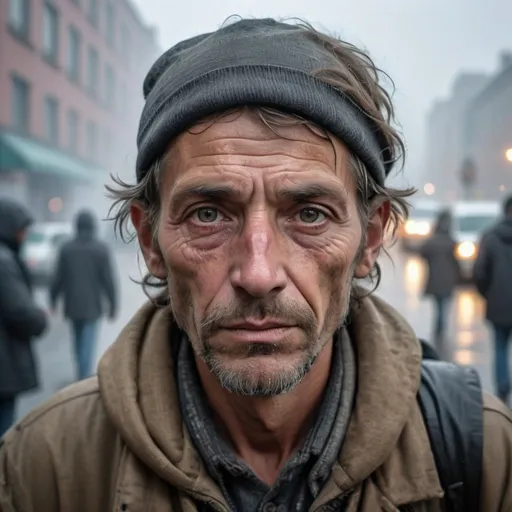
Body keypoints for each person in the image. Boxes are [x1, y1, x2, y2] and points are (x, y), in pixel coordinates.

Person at [1, 18, 511, 512]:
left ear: (371, 237)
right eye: (208, 214)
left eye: (310, 214)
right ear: (149, 238)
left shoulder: (482, 451)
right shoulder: (44, 465)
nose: (259, 273)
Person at [49, 210, 117, 381]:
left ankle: (81, 372)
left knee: (78, 341)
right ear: (93, 226)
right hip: (93, 305)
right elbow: (108, 280)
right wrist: (113, 305)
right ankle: (83, 376)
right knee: (88, 341)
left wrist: (53, 300)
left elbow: (58, 277)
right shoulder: (100, 249)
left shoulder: (66, 249)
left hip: (72, 304)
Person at [0, 199, 47, 437]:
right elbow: (19, 311)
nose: (23, 236)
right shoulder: (4, 261)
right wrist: (40, 319)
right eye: (21, 230)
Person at [474, 195, 512, 404]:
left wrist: (488, 294)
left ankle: (503, 386)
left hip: (498, 304)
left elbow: (480, 272)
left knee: (499, 346)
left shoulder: (491, 236)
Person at [419, 209, 461, 350]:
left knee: (439, 304)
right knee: (444, 304)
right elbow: (456, 262)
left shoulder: (433, 241)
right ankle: (441, 327)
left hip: (435, 279)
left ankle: (439, 326)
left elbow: (423, 253)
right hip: (447, 280)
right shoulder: (451, 241)